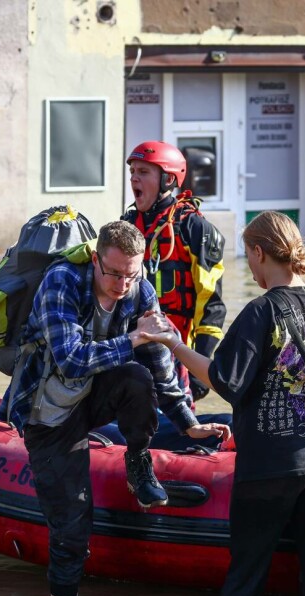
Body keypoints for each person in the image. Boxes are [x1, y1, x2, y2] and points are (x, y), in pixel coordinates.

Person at [0, 220, 230, 596]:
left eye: (131, 274)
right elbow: (71, 361)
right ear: (95, 260)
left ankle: (137, 462)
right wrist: (134, 338)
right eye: (114, 273)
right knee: (72, 518)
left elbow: (160, 365)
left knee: (138, 378)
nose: (123, 284)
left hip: (96, 396)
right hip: (49, 411)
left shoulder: (138, 288)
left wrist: (188, 423)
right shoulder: (62, 282)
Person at [141, 211, 305, 596]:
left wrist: (172, 343)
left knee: (246, 575)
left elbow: (224, 380)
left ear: (259, 253)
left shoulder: (261, 312)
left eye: (247, 255)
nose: (250, 266)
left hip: (275, 463)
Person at [92, 140, 232, 451]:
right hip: (130, 347)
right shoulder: (125, 227)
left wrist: (200, 370)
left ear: (168, 179)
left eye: (143, 172)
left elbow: (211, 307)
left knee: (177, 433)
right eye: (131, 172)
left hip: (177, 354)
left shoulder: (195, 229)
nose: (133, 179)